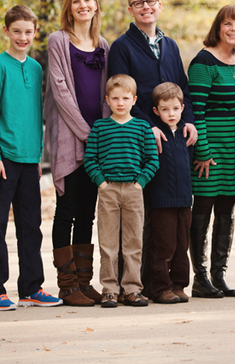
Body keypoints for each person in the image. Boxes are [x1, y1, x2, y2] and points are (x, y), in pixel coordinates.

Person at [107, 0, 197, 298]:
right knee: (143, 217)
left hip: (173, 136)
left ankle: (168, 284)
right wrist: (148, 125)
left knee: (171, 219)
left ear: (159, 6)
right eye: (139, 3)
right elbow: (120, 94)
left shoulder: (170, 45)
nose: (146, 7)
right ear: (130, 10)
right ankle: (134, 284)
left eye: (151, 1)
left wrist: (189, 122)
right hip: (140, 139)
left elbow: (182, 90)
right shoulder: (122, 47)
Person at [0, 5, 62, 310]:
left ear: (35, 33)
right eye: (17, 31)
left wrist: (40, 154)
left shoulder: (36, 69)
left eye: (28, 32)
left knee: (31, 226)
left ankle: (31, 288)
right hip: (3, 159)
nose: (22, 37)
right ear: (6, 31)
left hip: (31, 160)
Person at [44, 0, 110, 307]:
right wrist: (88, 132)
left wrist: (105, 133)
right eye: (76, 1)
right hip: (71, 138)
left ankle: (85, 282)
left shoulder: (104, 45)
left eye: (88, 0)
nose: (83, 5)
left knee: (88, 213)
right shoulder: (58, 41)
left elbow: (109, 93)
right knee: (66, 209)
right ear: (69, 8)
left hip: (97, 141)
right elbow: (61, 91)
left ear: (95, 5)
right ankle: (67, 286)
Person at [187, 5, 235, 298]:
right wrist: (203, 151)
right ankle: (200, 278)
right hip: (210, 150)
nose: (233, 29)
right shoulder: (203, 62)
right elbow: (196, 111)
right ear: (218, 27)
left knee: (227, 211)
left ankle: (219, 275)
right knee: (202, 211)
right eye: (228, 24)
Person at [84, 74, 159, 308]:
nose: (120, 103)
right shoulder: (100, 127)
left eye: (125, 98)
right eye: (115, 98)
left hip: (134, 191)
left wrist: (140, 183)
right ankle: (109, 289)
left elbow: (152, 160)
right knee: (108, 244)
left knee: (133, 243)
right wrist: (102, 183)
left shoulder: (142, 127)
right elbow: (90, 159)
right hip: (108, 191)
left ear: (134, 100)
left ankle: (133, 289)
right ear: (107, 100)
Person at [145, 83, 194, 304]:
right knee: (164, 246)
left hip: (184, 200)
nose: (171, 113)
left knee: (182, 245)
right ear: (156, 111)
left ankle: (178, 285)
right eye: (165, 109)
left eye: (175, 108)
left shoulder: (186, 132)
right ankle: (161, 288)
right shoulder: (153, 134)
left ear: (182, 107)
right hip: (161, 200)